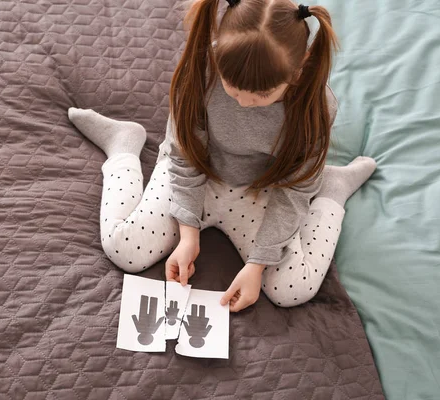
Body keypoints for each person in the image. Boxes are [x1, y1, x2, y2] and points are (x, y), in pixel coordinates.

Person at [68, 0, 377, 312]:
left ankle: (332, 189)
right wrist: (188, 234)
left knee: (292, 289)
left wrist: (257, 265)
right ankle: (124, 147)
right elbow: (185, 153)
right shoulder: (202, 68)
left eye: (262, 96)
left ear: (297, 73)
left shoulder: (317, 107)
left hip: (262, 191)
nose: (243, 103)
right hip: (197, 173)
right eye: (232, 88)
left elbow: (294, 191)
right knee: (124, 250)